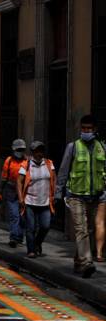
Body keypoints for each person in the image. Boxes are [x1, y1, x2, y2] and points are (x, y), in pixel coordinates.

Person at [56, 115, 105, 278]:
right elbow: (63, 170)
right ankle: (86, 263)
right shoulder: (73, 147)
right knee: (81, 229)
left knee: (89, 230)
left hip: (95, 196)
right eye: (83, 128)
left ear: (95, 130)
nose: (86, 131)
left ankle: (78, 261)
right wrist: (58, 192)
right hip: (76, 195)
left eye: (89, 129)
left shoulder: (102, 147)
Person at [17, 141, 56, 259]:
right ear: (32, 152)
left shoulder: (49, 164)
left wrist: (54, 195)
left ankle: (37, 243)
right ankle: (31, 250)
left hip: (45, 202)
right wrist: (20, 198)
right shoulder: (26, 165)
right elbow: (19, 182)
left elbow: (54, 179)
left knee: (45, 226)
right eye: (37, 151)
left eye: (41, 151)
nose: (39, 153)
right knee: (31, 228)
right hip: (30, 202)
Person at [0, 139, 28, 248]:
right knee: (14, 215)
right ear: (13, 150)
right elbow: (4, 177)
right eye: (18, 149)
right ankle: (14, 237)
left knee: (23, 216)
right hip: (11, 190)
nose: (20, 151)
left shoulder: (27, 161)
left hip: (24, 191)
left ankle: (19, 236)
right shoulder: (9, 161)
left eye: (22, 149)